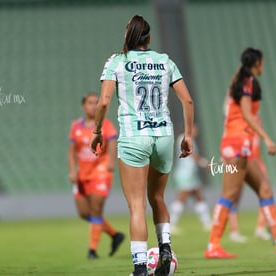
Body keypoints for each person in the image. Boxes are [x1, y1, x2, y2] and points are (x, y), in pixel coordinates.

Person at [90, 15, 194, 276]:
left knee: (137, 205)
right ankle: (166, 248)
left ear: (129, 36)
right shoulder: (164, 61)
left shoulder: (117, 61)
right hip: (164, 137)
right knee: (157, 197)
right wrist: (188, 136)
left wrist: (98, 131)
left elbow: (103, 103)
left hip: (134, 137)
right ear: (149, 38)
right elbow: (188, 101)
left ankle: (139, 268)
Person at [205, 48, 276, 259]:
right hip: (237, 143)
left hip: (237, 144)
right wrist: (266, 138)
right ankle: (213, 245)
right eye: (263, 62)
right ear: (258, 62)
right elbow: (245, 114)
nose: (263, 65)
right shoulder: (247, 81)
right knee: (230, 194)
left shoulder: (240, 80)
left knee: (265, 190)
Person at [69, 92, 125, 259]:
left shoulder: (105, 125)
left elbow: (113, 141)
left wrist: (111, 161)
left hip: (100, 173)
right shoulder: (76, 127)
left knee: (95, 210)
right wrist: (72, 171)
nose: (93, 106)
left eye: (96, 103)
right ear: (83, 106)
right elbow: (71, 153)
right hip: (82, 175)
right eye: (90, 103)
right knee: (84, 213)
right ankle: (114, 234)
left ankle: (92, 251)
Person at [228, 117, 270, 243]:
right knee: (233, 196)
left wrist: (260, 163)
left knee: (266, 193)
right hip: (240, 161)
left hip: (255, 162)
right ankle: (233, 232)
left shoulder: (257, 120)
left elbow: (257, 146)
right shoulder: (238, 121)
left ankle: (261, 228)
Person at [169, 124, 211, 234]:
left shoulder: (190, 139)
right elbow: (191, 155)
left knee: (199, 197)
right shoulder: (184, 139)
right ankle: (170, 225)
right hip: (185, 173)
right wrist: (204, 163)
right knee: (181, 199)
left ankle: (207, 223)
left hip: (191, 174)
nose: (196, 130)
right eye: (194, 128)